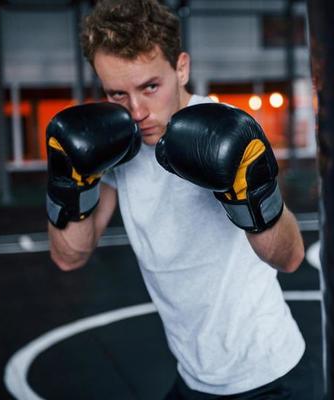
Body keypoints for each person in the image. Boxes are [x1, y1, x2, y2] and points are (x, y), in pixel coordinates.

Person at [45, 0, 307, 398]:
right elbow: (70, 256)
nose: (136, 111)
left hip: (268, 375)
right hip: (194, 376)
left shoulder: (225, 132)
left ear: (181, 68)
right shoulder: (119, 143)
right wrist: (70, 182)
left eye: (150, 87)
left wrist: (252, 194)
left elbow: (290, 258)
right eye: (118, 93)